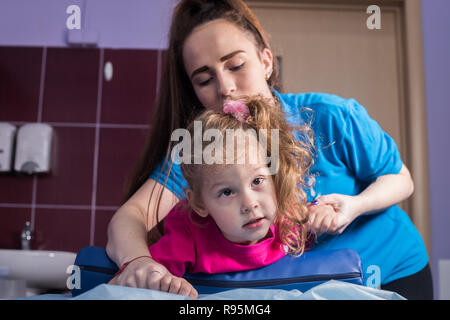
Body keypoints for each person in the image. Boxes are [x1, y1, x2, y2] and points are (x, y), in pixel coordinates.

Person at [107, 0, 432, 299]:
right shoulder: (203, 150)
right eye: (205, 80)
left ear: (265, 61)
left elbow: (400, 178)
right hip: (305, 288)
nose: (225, 88)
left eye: (235, 65)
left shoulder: (330, 116)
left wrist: (355, 205)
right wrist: (138, 263)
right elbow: (131, 216)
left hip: (391, 270)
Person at [129, 96, 312, 298]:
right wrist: (167, 283)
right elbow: (146, 281)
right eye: (227, 192)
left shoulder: (289, 217)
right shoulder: (188, 237)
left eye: (257, 181)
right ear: (199, 203)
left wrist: (323, 214)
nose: (250, 204)